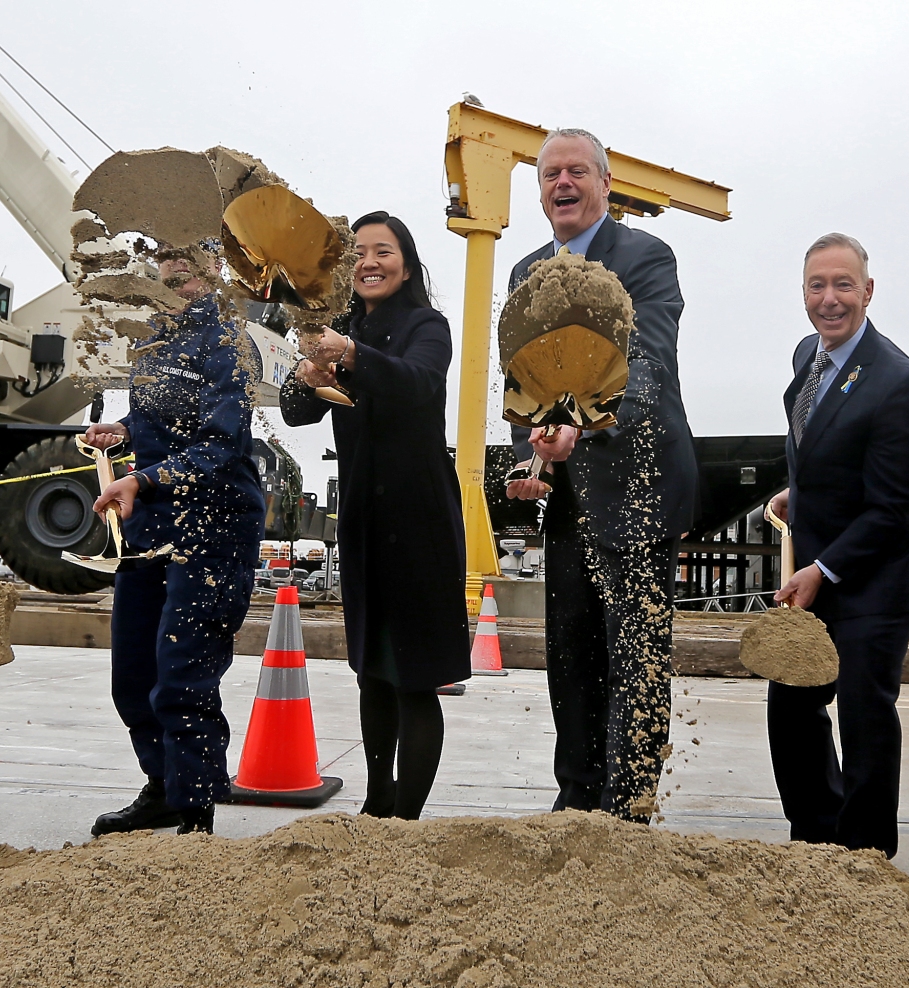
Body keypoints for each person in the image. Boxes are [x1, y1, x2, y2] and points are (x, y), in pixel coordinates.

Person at [506, 129, 698, 822]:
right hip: (567, 499)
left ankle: (629, 810)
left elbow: (647, 365)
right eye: (551, 172)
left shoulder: (646, 258)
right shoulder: (526, 270)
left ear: (606, 185)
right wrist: (531, 455)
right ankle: (576, 803)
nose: (563, 183)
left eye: (578, 171)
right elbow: (523, 379)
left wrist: (581, 421)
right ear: (539, 189)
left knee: (637, 658)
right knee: (572, 656)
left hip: (638, 492)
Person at [279, 210, 470, 820]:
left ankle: (405, 819)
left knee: (412, 674)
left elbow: (418, 383)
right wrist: (309, 374)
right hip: (361, 515)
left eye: (383, 251)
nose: (368, 261)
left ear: (407, 264)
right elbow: (293, 411)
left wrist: (353, 355)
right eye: (358, 252)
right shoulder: (332, 330)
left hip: (418, 520)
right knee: (371, 671)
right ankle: (375, 803)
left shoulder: (427, 325)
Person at [767, 233, 909, 858]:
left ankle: (866, 856)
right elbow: (820, 449)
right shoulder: (804, 357)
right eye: (818, 285)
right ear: (803, 293)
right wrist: (798, 494)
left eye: (844, 285)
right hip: (816, 564)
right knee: (791, 707)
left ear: (868, 291)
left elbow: (894, 508)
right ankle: (816, 840)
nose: (830, 299)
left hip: (877, 578)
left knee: (865, 715)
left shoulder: (898, 382)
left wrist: (823, 568)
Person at [86, 252, 265, 837]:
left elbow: (220, 444)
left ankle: (196, 815)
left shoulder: (231, 339)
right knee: (133, 673)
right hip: (150, 527)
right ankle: (162, 787)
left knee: (182, 676)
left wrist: (142, 479)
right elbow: (151, 423)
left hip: (213, 528)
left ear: (214, 265)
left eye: (185, 261)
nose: (171, 272)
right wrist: (122, 432)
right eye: (164, 261)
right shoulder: (155, 339)